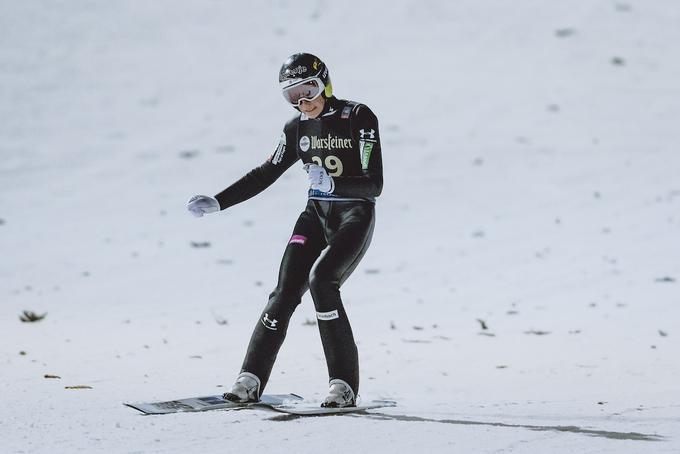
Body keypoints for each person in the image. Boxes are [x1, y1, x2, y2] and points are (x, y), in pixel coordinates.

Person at [186, 53, 383, 408]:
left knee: (322, 281)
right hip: (315, 215)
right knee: (285, 289)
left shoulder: (358, 116)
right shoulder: (296, 129)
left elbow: (374, 184)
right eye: (292, 96)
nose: (302, 101)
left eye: (307, 90)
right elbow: (265, 173)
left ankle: (343, 385)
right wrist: (219, 201)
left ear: (325, 83)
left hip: (354, 215)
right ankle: (250, 378)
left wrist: (336, 186)